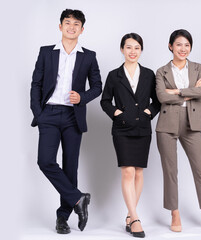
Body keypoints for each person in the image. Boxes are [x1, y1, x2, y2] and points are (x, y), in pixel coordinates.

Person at [30, 9, 102, 234]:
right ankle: (78, 199)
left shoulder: (88, 56)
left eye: (76, 24)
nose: (72, 27)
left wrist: (83, 97)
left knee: (71, 168)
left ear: (82, 29)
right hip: (49, 115)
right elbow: (36, 84)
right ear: (60, 26)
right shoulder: (46, 52)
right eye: (67, 23)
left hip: (73, 116)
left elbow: (97, 86)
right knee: (45, 161)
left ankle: (63, 218)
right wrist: (38, 113)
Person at [156, 29, 201, 233]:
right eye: (178, 44)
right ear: (171, 46)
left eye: (187, 45)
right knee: (170, 171)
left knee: (200, 169)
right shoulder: (161, 71)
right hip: (167, 123)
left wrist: (177, 91)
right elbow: (161, 96)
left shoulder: (198, 68)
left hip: (192, 122)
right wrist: (189, 93)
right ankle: (174, 212)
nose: (183, 49)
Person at [101, 33, 160, 238]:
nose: (132, 51)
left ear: (141, 50)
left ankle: (129, 214)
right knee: (127, 171)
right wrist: (117, 114)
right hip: (122, 129)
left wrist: (149, 113)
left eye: (136, 47)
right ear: (122, 49)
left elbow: (158, 100)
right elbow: (105, 101)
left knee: (139, 172)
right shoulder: (113, 75)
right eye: (128, 47)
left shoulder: (149, 74)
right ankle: (135, 218)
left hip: (143, 128)